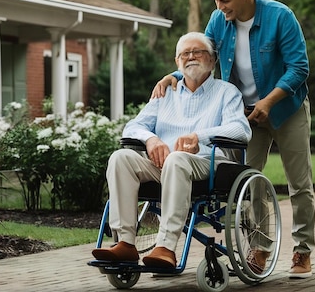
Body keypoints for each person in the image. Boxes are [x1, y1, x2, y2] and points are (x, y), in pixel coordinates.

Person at [151, 0, 315, 278]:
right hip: (244, 115)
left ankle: (302, 251)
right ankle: (260, 249)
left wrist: (269, 101)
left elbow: (299, 68)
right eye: (216, 1)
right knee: (247, 183)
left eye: (225, 1)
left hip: (285, 108)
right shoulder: (218, 20)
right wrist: (173, 76)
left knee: (299, 184)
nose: (219, 7)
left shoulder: (280, 17)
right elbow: (202, 56)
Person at [92, 32, 251, 268]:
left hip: (206, 165)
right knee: (120, 158)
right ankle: (125, 243)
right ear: (177, 62)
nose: (191, 57)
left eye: (198, 52)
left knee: (177, 159)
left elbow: (241, 129)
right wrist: (151, 140)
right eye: (185, 53)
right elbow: (132, 127)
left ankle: (165, 246)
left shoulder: (227, 92)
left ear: (212, 60)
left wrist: (200, 136)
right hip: (163, 165)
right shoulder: (165, 92)